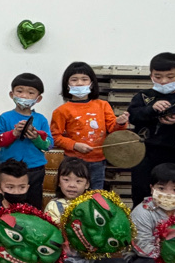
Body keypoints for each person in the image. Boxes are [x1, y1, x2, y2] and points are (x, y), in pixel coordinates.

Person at [44, 158, 134, 263]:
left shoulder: (95, 204)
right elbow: (52, 234)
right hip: (67, 260)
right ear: (59, 182)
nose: (72, 185)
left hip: (92, 259)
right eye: (66, 180)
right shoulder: (54, 205)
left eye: (78, 181)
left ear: (87, 184)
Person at [127, 52, 175, 207]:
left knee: (169, 190)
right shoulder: (143, 96)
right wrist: (151, 109)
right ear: (151, 76)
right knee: (140, 189)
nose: (164, 81)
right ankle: (139, 218)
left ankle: (167, 219)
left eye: (170, 77)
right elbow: (132, 117)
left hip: (171, 152)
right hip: (143, 152)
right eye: (158, 77)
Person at [51, 61, 129, 190]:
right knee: (73, 192)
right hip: (73, 161)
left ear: (92, 83)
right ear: (67, 85)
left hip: (98, 161)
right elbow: (54, 137)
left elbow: (113, 129)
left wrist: (120, 122)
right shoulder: (61, 111)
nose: (79, 83)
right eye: (74, 80)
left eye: (84, 79)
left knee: (95, 194)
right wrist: (75, 145)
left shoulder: (103, 105)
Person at [0, 73, 53, 208]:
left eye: (31, 93)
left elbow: (49, 145)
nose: (24, 96)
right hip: (8, 169)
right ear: (11, 94)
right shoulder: (5, 117)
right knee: (4, 205)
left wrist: (36, 138)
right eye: (19, 91)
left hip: (34, 169)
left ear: (38, 98)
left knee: (33, 205)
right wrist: (13, 134)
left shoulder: (41, 119)